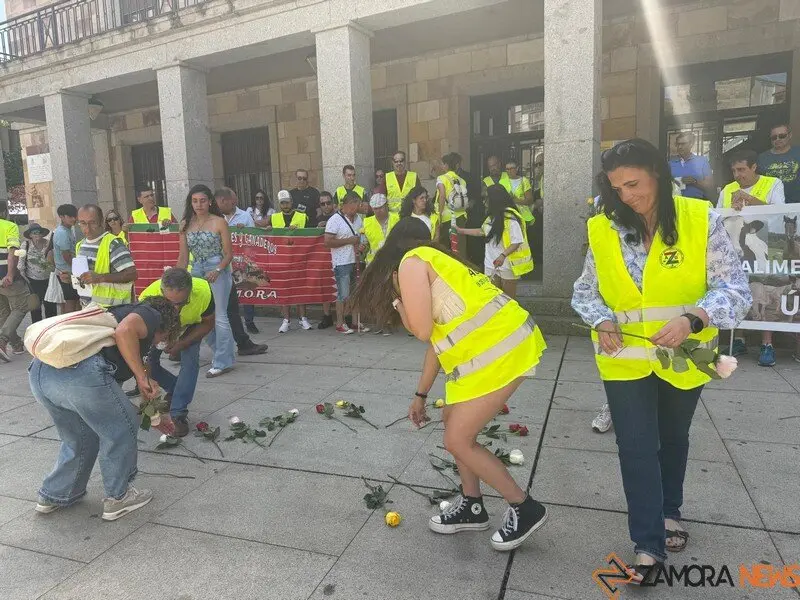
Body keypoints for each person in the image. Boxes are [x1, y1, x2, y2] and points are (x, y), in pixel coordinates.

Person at [572, 139, 751, 583]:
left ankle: (670, 511)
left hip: (684, 356)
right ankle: (647, 544)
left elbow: (735, 289)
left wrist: (695, 317)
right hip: (624, 359)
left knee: (673, 437)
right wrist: (600, 320)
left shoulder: (701, 219)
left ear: (658, 173)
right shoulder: (604, 228)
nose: (627, 196)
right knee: (634, 446)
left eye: (634, 183)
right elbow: (584, 292)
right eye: (617, 189)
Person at [351, 217, 548, 551]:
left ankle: (524, 507)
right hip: (480, 354)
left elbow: (423, 330)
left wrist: (400, 305)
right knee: (451, 422)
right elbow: (437, 344)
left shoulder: (411, 264)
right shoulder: (436, 260)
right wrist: (420, 395)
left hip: (502, 348)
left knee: (458, 439)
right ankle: (472, 506)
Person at [30, 296, 181, 520]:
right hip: (78, 373)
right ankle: (118, 497)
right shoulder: (150, 313)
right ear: (163, 325)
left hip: (42, 373)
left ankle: (56, 494)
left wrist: (153, 417)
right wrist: (141, 377)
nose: (158, 342)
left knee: (80, 437)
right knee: (122, 427)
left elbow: (108, 401)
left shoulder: (107, 321)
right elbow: (125, 331)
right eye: (163, 336)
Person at [717, 149, 785, 366]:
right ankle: (739, 339)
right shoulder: (728, 189)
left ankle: (767, 343)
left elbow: (781, 212)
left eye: (742, 169)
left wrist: (749, 199)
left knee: (766, 291)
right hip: (737, 248)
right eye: (734, 170)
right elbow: (718, 217)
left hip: (770, 246)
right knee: (740, 290)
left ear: (754, 167)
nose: (737, 175)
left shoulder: (773, 183)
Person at [139, 268, 216, 437]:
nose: (176, 308)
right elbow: (142, 354)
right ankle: (176, 388)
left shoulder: (203, 291)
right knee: (150, 363)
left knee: (190, 363)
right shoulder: (147, 300)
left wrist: (182, 343)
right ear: (161, 292)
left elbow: (208, 323)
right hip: (160, 328)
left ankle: (178, 413)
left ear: (190, 291)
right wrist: (148, 402)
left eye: (182, 303)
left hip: (190, 327)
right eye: (170, 303)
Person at [177, 184, 236, 379]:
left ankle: (223, 361)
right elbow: (183, 256)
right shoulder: (186, 223)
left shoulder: (219, 222)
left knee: (219, 315)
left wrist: (218, 270)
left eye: (202, 200)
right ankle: (222, 352)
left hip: (218, 269)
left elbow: (229, 254)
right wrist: (178, 277)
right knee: (203, 316)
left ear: (210, 201)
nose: (199, 204)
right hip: (196, 271)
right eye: (195, 201)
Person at [214, 187, 268, 354]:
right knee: (214, 308)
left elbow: (252, 238)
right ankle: (181, 347)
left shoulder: (243, 216)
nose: (235, 203)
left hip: (229, 266)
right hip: (213, 270)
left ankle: (244, 339)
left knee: (232, 305)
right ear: (222, 201)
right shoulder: (213, 219)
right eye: (232, 200)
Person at [457, 184, 533, 299]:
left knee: (509, 301)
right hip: (490, 264)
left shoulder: (511, 217)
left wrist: (503, 256)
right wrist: (461, 231)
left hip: (507, 265)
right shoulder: (491, 217)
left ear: (494, 199)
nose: (484, 201)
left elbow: (516, 242)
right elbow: (482, 231)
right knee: (494, 301)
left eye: (486, 198)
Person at [75, 205, 137, 308]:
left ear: (101, 221)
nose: (88, 228)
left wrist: (100, 277)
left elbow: (132, 274)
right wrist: (71, 277)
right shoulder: (80, 245)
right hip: (88, 308)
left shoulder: (113, 244)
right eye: (83, 223)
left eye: (92, 222)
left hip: (113, 310)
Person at [271, 189, 313, 333]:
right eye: (282, 203)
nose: (285, 205)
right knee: (284, 290)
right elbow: (266, 231)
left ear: (291, 202)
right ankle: (286, 320)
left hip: (299, 259)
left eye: (287, 202)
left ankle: (303, 319)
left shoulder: (303, 217)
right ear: (279, 204)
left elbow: (311, 235)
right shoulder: (274, 217)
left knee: (300, 289)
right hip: (282, 260)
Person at [325, 191, 363, 334]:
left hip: (356, 260)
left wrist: (361, 246)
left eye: (357, 206)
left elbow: (360, 238)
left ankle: (355, 322)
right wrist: (349, 241)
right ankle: (340, 323)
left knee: (354, 293)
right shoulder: (335, 220)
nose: (356, 209)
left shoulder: (359, 219)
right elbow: (327, 242)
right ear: (345, 205)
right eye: (353, 206)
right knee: (343, 293)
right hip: (341, 262)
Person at [0, 201, 26, 362]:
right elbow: (13, 252)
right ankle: (2, 341)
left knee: (3, 312)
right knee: (21, 307)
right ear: (3, 212)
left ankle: (16, 344)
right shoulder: (9, 226)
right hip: (6, 275)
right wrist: (10, 274)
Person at [19, 223, 57, 323]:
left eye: (39, 232)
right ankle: (37, 329)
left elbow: (54, 261)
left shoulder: (48, 243)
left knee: (51, 306)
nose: (37, 234)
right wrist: (26, 282)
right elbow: (21, 265)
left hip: (48, 280)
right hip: (32, 282)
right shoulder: (25, 245)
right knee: (35, 307)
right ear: (30, 235)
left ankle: (51, 328)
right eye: (34, 233)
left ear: (42, 234)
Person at [758, 123, 800, 204]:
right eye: (774, 137)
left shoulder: (798, 152)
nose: (777, 139)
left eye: (782, 136)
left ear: (790, 135)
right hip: (771, 205)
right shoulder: (762, 158)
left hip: (797, 204)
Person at [668, 132, 715, 201]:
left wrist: (694, 182)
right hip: (675, 204)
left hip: (696, 204)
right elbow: (663, 185)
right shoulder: (670, 164)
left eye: (683, 144)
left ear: (691, 144)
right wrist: (675, 182)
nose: (680, 147)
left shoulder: (702, 161)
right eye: (678, 144)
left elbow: (710, 185)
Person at [436, 153, 469, 248]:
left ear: (446, 165)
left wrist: (439, 215)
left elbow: (442, 195)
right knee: (460, 247)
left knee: (445, 248)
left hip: (447, 218)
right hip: (461, 216)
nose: (441, 166)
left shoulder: (441, 178)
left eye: (442, 164)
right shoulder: (462, 180)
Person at [53, 204, 80, 314]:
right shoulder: (62, 232)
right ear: (61, 217)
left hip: (69, 270)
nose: (74, 219)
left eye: (75, 216)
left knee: (75, 300)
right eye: (70, 216)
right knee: (71, 301)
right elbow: (67, 256)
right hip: (66, 272)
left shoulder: (68, 230)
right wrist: (78, 269)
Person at [317, 191, 337, 330]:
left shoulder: (339, 217)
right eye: (323, 203)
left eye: (328, 203)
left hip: (338, 256)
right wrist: (317, 229)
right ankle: (327, 316)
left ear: (333, 204)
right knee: (325, 286)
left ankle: (345, 315)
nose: (326, 206)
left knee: (341, 286)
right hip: (322, 258)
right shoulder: (315, 219)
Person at [505, 160, 536, 226]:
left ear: (517, 168)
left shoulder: (524, 181)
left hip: (522, 215)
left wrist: (514, 200)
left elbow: (530, 200)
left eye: (511, 168)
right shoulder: (502, 181)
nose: (509, 171)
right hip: (508, 215)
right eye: (507, 169)